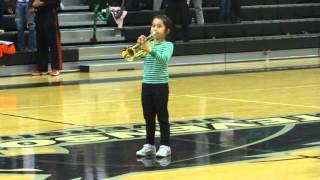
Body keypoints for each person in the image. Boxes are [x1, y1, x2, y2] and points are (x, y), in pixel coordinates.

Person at [136, 15, 174, 158]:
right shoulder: (149, 44)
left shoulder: (168, 45)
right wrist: (141, 45)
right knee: (148, 116)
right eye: (153, 26)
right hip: (146, 84)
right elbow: (136, 56)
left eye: (159, 26)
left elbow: (163, 60)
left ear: (167, 30)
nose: (155, 29)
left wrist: (149, 49)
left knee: (162, 116)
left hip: (160, 85)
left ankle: (165, 145)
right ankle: (149, 144)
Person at [31, 0, 63, 76]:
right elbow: (32, 2)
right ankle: (42, 68)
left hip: (50, 13)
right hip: (38, 14)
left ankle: (56, 67)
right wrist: (32, 5)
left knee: (53, 42)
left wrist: (42, 3)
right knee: (40, 42)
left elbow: (57, 2)